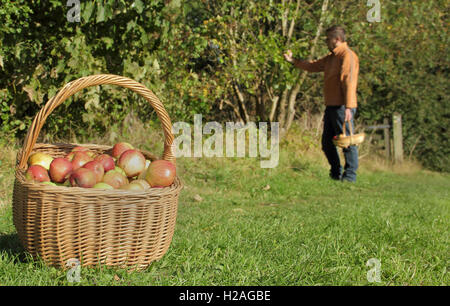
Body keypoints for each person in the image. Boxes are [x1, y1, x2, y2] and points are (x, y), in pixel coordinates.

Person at [284, 25, 360, 182]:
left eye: (328, 39)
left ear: (337, 39)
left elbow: (349, 81)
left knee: (347, 142)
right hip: (331, 106)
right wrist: (293, 61)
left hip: (342, 107)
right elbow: (313, 66)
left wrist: (349, 106)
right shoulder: (331, 58)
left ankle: (350, 176)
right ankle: (335, 173)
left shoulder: (348, 56)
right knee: (327, 143)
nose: (326, 41)